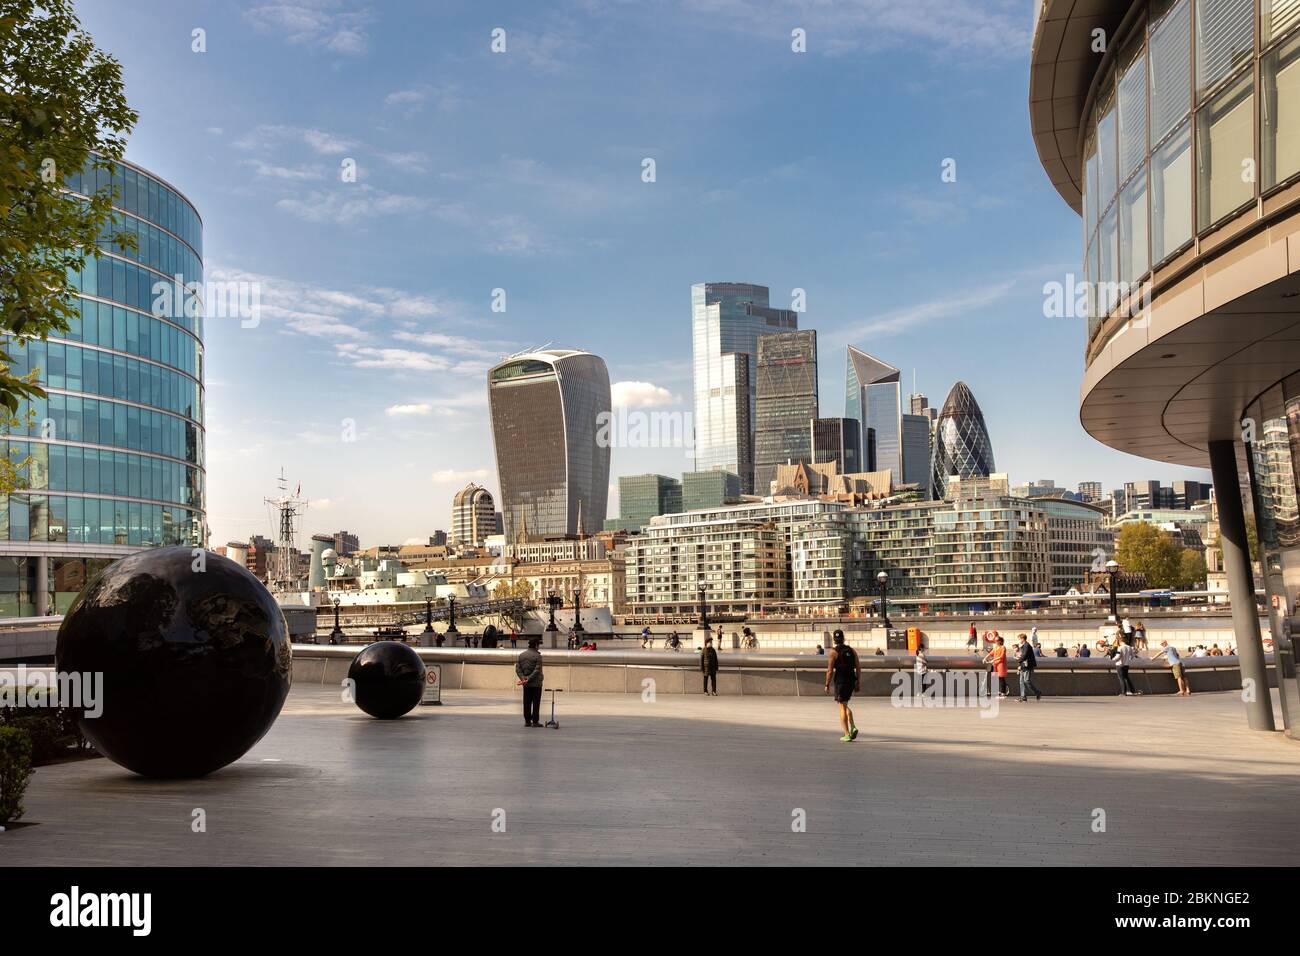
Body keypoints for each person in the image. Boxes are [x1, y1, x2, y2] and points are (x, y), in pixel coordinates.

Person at [824, 630, 860, 742]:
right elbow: (858, 668)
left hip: (840, 682)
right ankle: (853, 726)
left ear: (834, 640)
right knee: (844, 704)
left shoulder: (833, 652)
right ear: (843, 638)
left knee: (842, 707)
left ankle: (847, 734)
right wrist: (858, 682)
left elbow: (829, 671)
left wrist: (827, 684)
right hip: (851, 681)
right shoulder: (852, 650)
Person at [515, 637, 545, 728]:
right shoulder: (538, 656)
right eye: (538, 645)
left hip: (526, 684)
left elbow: (518, 669)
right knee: (536, 703)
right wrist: (529, 679)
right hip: (536, 684)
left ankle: (527, 721)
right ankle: (535, 721)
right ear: (536, 645)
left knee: (526, 702)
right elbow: (537, 670)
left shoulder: (521, 655)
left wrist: (524, 679)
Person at [1016, 633, 1042, 702]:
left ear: (1022, 639)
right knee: (1021, 681)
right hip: (1023, 665)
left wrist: (1018, 660)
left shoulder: (1027, 646)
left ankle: (1037, 692)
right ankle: (1023, 697)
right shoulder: (1023, 646)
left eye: (1019, 639)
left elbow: (1024, 656)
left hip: (1027, 666)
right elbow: (1022, 655)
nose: (1019, 641)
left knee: (1026, 681)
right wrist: (1019, 664)